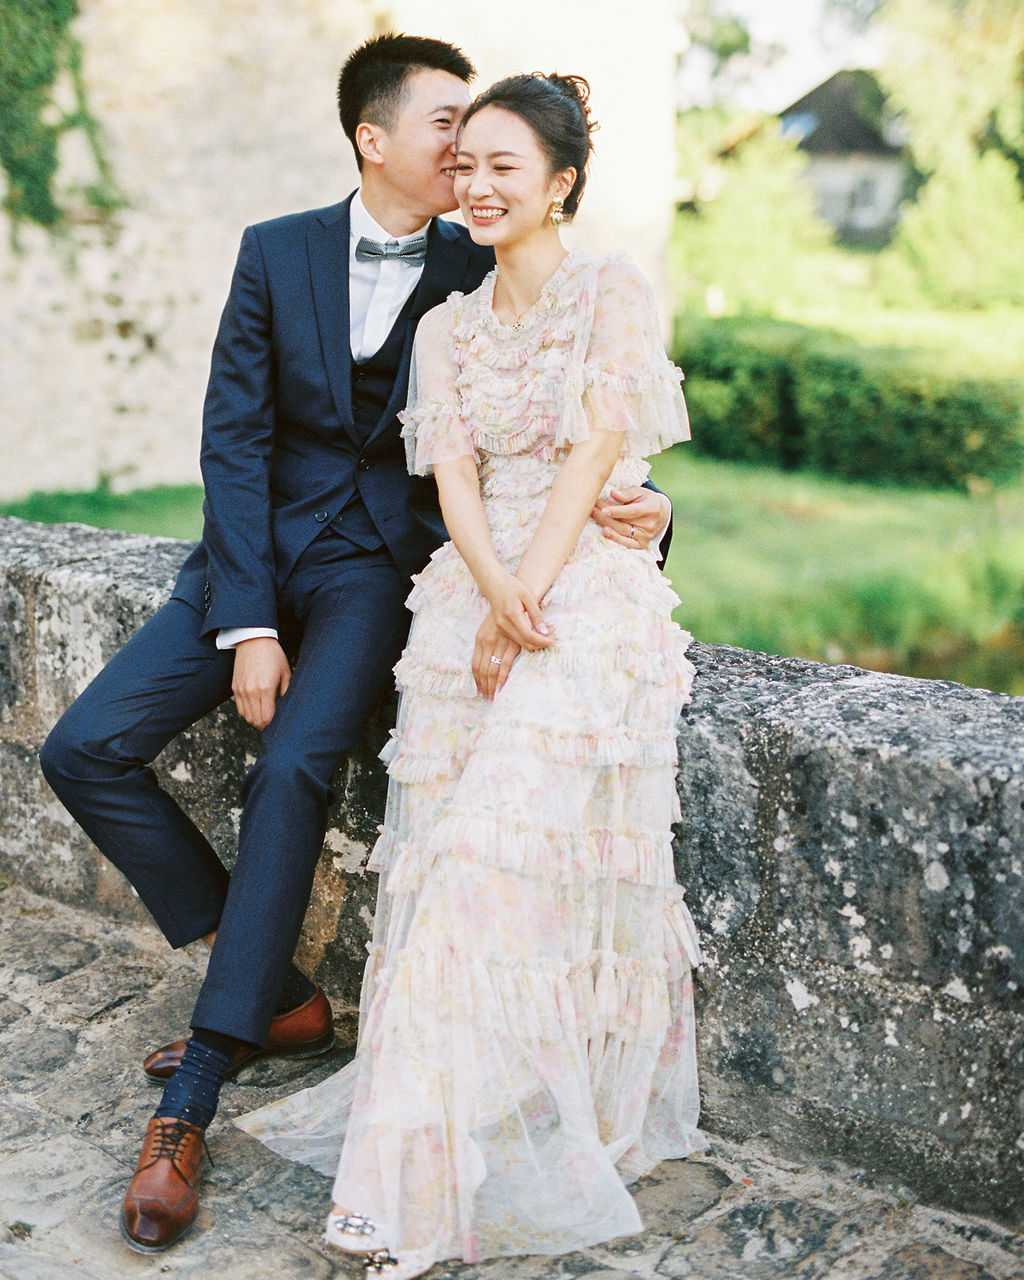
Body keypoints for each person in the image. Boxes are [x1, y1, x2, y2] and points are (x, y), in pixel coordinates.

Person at [35, 34, 674, 1256]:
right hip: (252, 564)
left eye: (487, 141)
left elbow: (571, 411)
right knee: (85, 745)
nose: (468, 154)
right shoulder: (274, 250)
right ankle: (270, 987)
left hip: (381, 572)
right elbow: (232, 435)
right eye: (448, 128)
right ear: (375, 139)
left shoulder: (476, 257)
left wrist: (639, 511)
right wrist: (247, 618)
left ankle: (192, 1097)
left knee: (292, 767)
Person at [233, 70, 704, 1280]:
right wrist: (489, 593)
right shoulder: (446, 323)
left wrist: (529, 596)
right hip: (464, 598)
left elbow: (599, 448)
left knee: (492, 868)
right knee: (440, 869)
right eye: (470, 164)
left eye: (509, 167)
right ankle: (429, 1142)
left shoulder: (611, 291)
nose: (481, 185)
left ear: (562, 183)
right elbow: (446, 476)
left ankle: (421, 1184)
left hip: (581, 600)